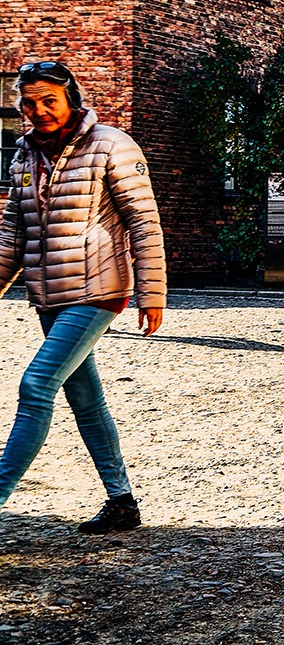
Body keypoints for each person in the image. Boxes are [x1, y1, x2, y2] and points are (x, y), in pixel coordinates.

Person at [0, 61, 166, 534]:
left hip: (98, 290)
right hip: (48, 294)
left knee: (36, 386)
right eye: (29, 102)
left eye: (49, 100)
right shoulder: (24, 158)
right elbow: (13, 237)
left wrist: (151, 292)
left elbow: (143, 222)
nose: (39, 110)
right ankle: (122, 502)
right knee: (85, 398)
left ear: (70, 97)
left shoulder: (111, 145)